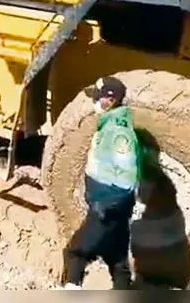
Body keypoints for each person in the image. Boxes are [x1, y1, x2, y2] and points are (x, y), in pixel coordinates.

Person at [60, 76, 157, 290]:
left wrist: (104, 208)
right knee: (117, 261)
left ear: (111, 101)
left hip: (107, 207)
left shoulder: (118, 132)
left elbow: (127, 174)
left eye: (98, 97)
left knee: (75, 253)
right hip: (114, 209)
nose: (94, 102)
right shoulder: (111, 124)